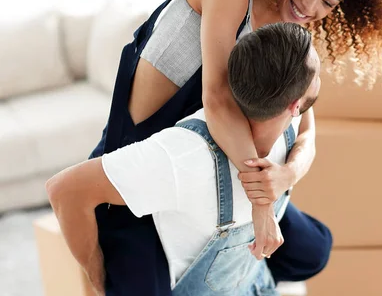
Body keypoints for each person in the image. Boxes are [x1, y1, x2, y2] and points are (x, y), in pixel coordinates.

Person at [88, 0, 382, 296]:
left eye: (330, 3)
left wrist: (288, 175)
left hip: (211, 163)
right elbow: (217, 99)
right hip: (142, 164)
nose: (312, 7)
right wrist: (261, 207)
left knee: (311, 251)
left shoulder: (294, 28)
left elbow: (304, 122)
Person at [47, 22, 320, 296]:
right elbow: (64, 189)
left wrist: (290, 173)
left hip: (254, 283)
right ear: (295, 104)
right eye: (318, 76)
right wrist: (99, 279)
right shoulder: (186, 156)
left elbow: (308, 133)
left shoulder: (290, 121)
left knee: (315, 247)